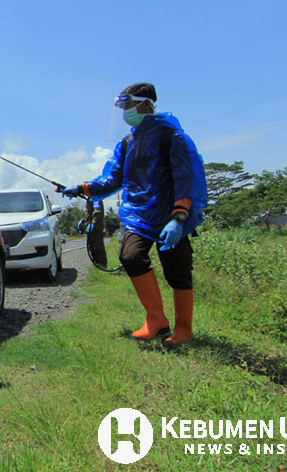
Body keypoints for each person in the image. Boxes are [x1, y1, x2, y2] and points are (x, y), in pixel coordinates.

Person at [61, 82, 207, 345]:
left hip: (171, 216)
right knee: (131, 255)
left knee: (178, 271)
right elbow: (112, 179)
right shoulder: (128, 142)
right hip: (139, 216)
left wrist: (179, 218)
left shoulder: (173, 138)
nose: (126, 112)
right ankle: (156, 319)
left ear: (146, 104)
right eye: (122, 107)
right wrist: (82, 188)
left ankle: (183, 329)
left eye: (128, 105)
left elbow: (185, 180)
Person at [79, 200, 107, 267]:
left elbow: (97, 212)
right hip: (90, 227)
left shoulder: (96, 198)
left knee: (98, 247)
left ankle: (102, 264)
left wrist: (93, 223)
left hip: (96, 227)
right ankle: (96, 263)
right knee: (91, 247)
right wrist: (82, 221)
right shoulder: (89, 199)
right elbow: (88, 213)